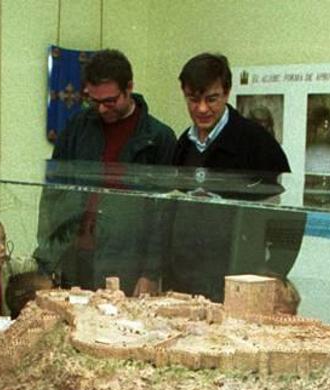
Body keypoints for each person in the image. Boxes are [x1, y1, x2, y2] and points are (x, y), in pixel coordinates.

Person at [164, 53, 304, 302]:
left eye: (212, 99)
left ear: (227, 92)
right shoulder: (183, 144)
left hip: (237, 278)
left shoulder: (257, 143)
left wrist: (274, 272)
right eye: (193, 100)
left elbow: (289, 217)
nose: (202, 109)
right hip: (185, 276)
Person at [36, 49, 176, 295]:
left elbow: (162, 214)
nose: (101, 109)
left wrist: (150, 273)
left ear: (129, 88)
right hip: (75, 255)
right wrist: (48, 256)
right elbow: (54, 193)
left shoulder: (158, 138)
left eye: (110, 101)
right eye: (94, 100)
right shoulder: (78, 126)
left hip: (126, 261)